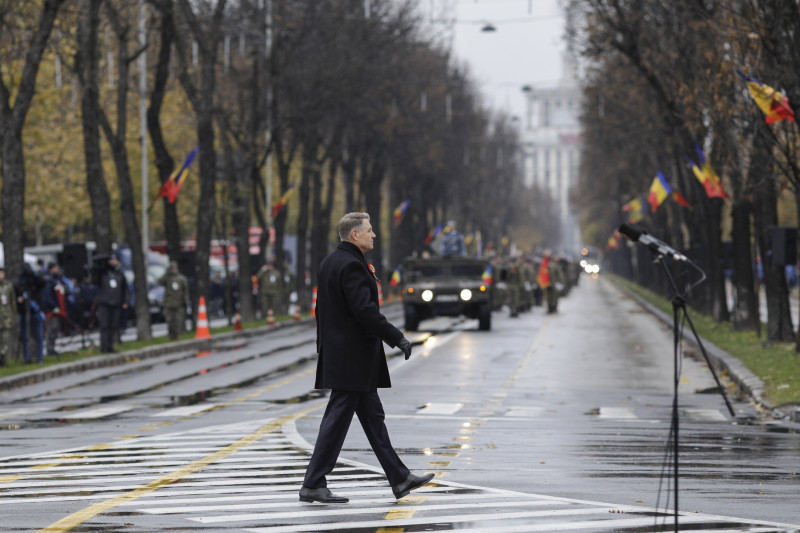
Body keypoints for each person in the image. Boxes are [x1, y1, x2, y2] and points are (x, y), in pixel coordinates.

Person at [299, 212, 434, 504]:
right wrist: (396, 337)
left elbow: (321, 311)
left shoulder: (330, 263)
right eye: (369, 230)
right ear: (354, 235)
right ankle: (312, 483)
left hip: (345, 356)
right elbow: (365, 312)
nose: (373, 235)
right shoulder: (352, 265)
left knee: (374, 419)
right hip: (353, 359)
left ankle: (399, 478)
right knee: (336, 421)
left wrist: (326, 347)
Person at [95, 253, 129, 353]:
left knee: (113, 326)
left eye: (115, 260)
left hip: (116, 303)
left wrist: (125, 301)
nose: (114, 262)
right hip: (104, 304)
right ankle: (104, 347)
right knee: (104, 326)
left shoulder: (120, 274)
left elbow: (125, 289)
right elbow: (95, 277)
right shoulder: (103, 273)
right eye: (112, 260)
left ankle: (110, 346)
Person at [15, 263, 46, 364]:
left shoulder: (35, 281)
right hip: (24, 312)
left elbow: (43, 283)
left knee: (38, 336)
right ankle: (27, 357)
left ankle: (40, 358)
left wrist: (34, 274)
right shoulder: (19, 284)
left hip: (35, 312)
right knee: (24, 336)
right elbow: (15, 298)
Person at [159, 261, 189, 340]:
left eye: (174, 268)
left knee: (177, 320)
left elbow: (185, 290)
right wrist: (167, 273)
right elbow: (160, 281)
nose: (173, 270)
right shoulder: (168, 278)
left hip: (178, 303)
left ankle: (176, 335)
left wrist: (185, 300)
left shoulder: (181, 278)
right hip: (169, 303)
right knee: (169, 320)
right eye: (171, 268)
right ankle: (170, 334)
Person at [42, 262, 65, 356]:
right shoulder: (48, 280)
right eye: (56, 267)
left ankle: (52, 347)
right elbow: (47, 295)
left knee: (55, 329)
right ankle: (50, 348)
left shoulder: (56, 279)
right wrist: (54, 306)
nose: (57, 269)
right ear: (51, 269)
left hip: (57, 308)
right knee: (52, 328)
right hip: (51, 309)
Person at [0, 264, 18, 366]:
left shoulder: (8, 285)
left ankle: (2, 358)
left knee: (5, 339)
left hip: (6, 318)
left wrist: (13, 316)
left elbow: (12, 302)